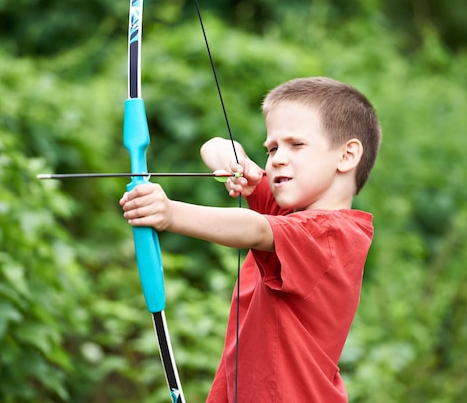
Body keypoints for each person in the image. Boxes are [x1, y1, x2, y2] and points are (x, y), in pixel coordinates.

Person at [120, 77, 381, 402]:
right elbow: (212, 146)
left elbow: (256, 228)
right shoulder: (290, 214)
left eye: (296, 145)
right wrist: (234, 162)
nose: (277, 159)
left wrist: (170, 214)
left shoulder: (332, 235)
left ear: (346, 156)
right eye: (272, 148)